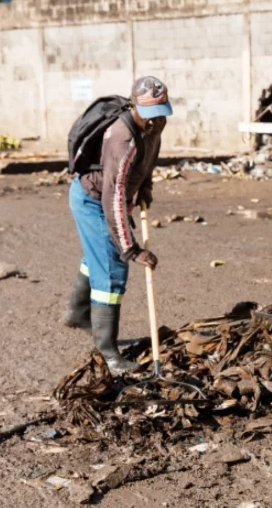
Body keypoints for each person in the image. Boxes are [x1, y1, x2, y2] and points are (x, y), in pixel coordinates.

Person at [64, 76, 173, 374]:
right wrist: (131, 250)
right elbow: (112, 198)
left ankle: (77, 313)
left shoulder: (156, 124)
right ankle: (109, 354)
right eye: (149, 116)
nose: (154, 123)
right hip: (93, 200)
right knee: (113, 268)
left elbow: (149, 157)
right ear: (134, 106)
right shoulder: (121, 138)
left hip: (112, 197)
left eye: (160, 113)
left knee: (98, 255)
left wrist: (146, 187)